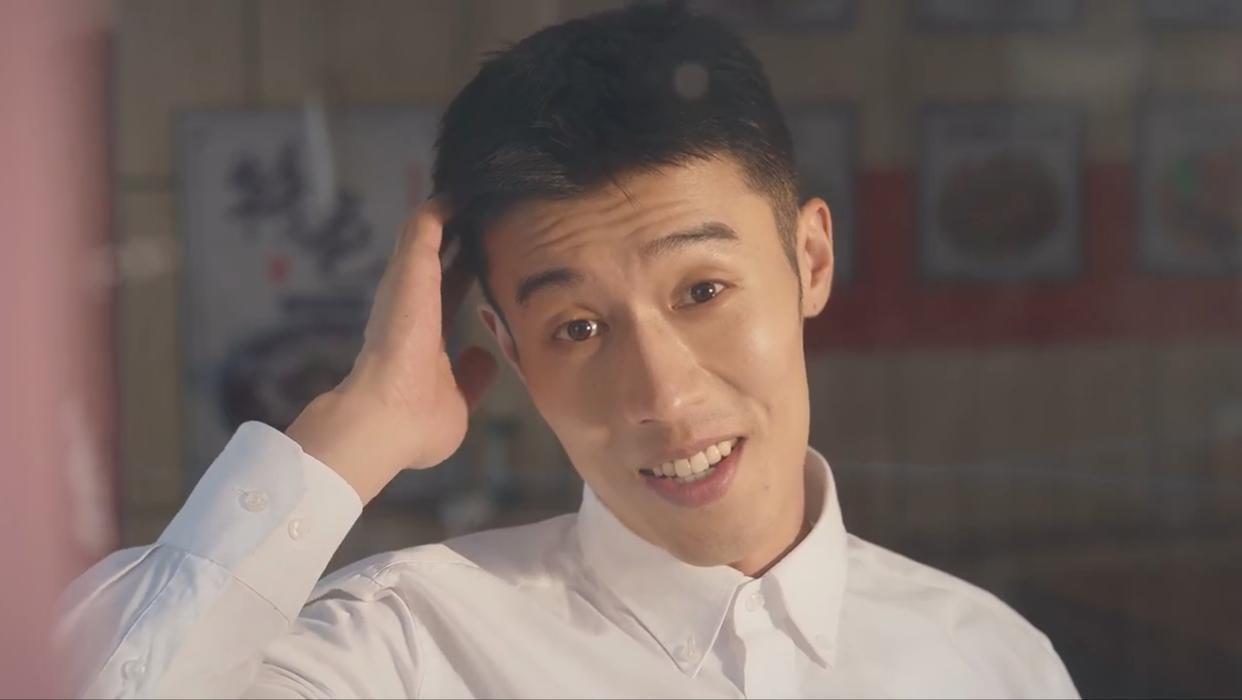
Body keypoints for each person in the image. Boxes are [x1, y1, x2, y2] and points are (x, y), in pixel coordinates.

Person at [60, 3, 1079, 697]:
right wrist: (360, 426)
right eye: (578, 328)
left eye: (703, 291)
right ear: (507, 349)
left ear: (809, 258)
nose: (661, 393)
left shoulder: (986, 660)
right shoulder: (407, 650)